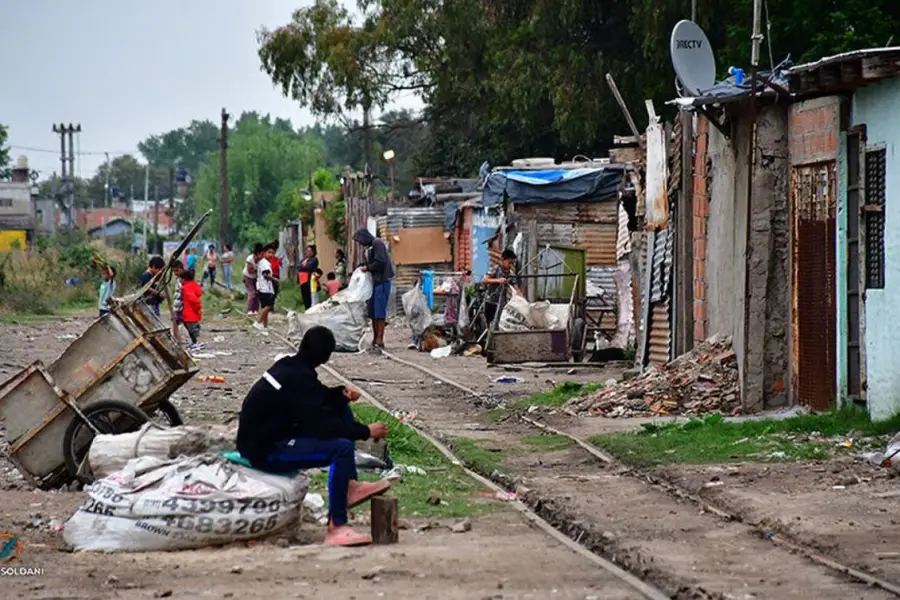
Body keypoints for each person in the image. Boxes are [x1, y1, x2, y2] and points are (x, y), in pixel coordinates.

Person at [236, 326, 391, 547]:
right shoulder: (298, 376)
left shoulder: (291, 367)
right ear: (326, 356)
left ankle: (350, 486)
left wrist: (339, 394)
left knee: (341, 408)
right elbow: (322, 426)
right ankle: (337, 526)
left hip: (274, 434)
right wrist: (365, 431)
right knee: (341, 448)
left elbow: (316, 397)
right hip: (266, 449)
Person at [353, 228, 395, 350]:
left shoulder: (377, 243)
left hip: (382, 281)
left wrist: (368, 268)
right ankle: (375, 337)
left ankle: (380, 339)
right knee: (373, 312)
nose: (360, 243)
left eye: (360, 240)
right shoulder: (370, 247)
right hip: (374, 283)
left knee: (380, 312)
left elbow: (380, 262)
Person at [481, 249, 522, 325]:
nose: (511, 265)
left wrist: (522, 300)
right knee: (490, 323)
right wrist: (498, 280)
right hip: (491, 301)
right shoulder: (496, 269)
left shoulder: (511, 274)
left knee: (500, 323)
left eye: (512, 263)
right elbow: (485, 280)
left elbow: (517, 288)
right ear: (503, 260)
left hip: (502, 303)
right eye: (509, 263)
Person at [254, 246, 276, 332]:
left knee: (264, 306)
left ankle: (265, 325)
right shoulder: (265, 263)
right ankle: (258, 322)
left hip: (262, 286)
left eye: (273, 253)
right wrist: (275, 280)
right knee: (268, 306)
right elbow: (266, 275)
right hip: (265, 287)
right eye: (269, 252)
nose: (271, 255)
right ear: (264, 253)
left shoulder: (263, 262)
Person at [180, 269, 203, 349]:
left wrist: (197, 308)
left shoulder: (186, 288)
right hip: (195, 313)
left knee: (192, 330)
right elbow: (198, 293)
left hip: (189, 313)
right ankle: (196, 342)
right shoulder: (194, 285)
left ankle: (196, 343)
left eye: (181, 279)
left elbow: (193, 300)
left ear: (184, 279)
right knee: (195, 329)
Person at [243, 243, 264, 315]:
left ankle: (255, 310)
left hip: (256, 278)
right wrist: (256, 269)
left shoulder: (261, 260)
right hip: (248, 277)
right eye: (261, 254)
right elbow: (250, 271)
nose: (262, 256)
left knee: (257, 294)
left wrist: (257, 269)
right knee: (252, 293)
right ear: (257, 254)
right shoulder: (250, 259)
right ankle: (249, 309)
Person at [297, 245, 319, 310]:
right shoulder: (304, 259)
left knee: (310, 297)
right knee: (304, 297)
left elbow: (308, 267)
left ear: (313, 252)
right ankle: (306, 309)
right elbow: (298, 266)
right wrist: (302, 267)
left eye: (310, 251)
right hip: (302, 281)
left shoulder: (314, 259)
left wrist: (302, 267)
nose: (308, 252)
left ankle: (310, 309)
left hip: (309, 281)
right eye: (307, 251)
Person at [170, 260, 185, 343]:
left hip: (181, 306)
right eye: (174, 271)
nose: (175, 272)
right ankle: (176, 341)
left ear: (182, 269)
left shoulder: (184, 279)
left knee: (180, 324)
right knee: (175, 323)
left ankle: (178, 341)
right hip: (177, 305)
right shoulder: (179, 278)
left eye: (176, 270)